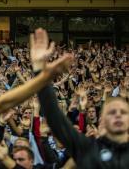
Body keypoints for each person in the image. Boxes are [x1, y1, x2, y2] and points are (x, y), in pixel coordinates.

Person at [30, 29, 129, 168]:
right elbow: (56, 119)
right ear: (103, 119)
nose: (118, 114)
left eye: (123, 112)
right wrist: (40, 71)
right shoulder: (87, 147)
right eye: (112, 112)